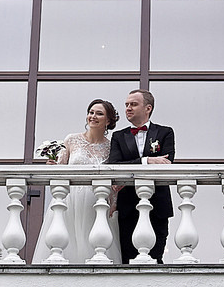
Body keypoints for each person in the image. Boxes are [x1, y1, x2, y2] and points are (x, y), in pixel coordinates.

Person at [46, 99, 118, 261]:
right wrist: (52, 165)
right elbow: (60, 169)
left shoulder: (113, 146)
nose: (93, 116)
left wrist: (113, 204)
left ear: (108, 120)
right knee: (67, 242)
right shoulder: (71, 140)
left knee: (95, 244)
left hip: (97, 200)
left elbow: (113, 180)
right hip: (71, 198)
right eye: (91, 112)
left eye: (99, 113)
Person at [108, 88, 175, 263]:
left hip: (158, 204)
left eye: (133, 104)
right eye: (127, 105)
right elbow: (114, 166)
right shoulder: (118, 136)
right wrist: (147, 161)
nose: (128, 108)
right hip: (128, 206)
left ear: (148, 108)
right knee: (128, 258)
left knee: (156, 258)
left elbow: (167, 164)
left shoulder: (165, 132)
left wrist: (135, 163)